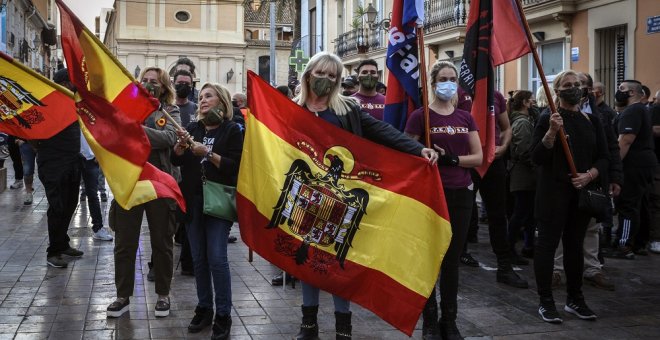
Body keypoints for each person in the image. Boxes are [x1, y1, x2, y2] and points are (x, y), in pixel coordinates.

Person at [292, 51, 438, 340]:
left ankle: (343, 328)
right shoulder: (290, 110)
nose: (326, 80)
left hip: (339, 197)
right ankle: (308, 326)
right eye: (321, 74)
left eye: (332, 76)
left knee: (336, 261)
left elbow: (382, 130)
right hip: (305, 195)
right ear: (308, 74)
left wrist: (416, 149)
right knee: (307, 259)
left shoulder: (347, 109)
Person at [406, 61, 482, 340]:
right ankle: (428, 321)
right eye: (443, 79)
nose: (448, 83)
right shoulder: (420, 116)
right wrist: (423, 153)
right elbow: (407, 149)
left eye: (452, 79)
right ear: (433, 82)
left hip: (461, 194)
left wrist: (452, 159)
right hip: (430, 195)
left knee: (451, 260)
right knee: (430, 260)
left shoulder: (465, 117)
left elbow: (479, 157)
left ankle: (449, 320)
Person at [531, 69, 609, 323]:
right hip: (553, 194)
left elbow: (605, 156)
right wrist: (552, 132)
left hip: (581, 194)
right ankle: (546, 302)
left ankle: (575, 299)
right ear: (557, 91)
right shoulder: (548, 118)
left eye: (577, 84)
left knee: (575, 246)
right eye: (568, 84)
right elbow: (537, 157)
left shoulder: (592, 121)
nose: (574, 88)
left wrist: (590, 175)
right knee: (547, 247)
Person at [106, 66, 181, 319]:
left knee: (162, 242)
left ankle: (163, 294)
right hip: (130, 182)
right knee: (124, 242)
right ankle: (122, 295)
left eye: (155, 82)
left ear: (164, 87)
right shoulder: (125, 110)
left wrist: (135, 131)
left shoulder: (169, 111)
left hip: (158, 183)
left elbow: (168, 138)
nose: (149, 85)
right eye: (145, 81)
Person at [172, 83, 243, 340]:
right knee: (199, 259)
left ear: (221, 101)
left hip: (218, 203)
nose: (202, 101)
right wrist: (180, 147)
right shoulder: (194, 128)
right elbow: (177, 160)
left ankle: (223, 314)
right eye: (200, 97)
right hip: (193, 201)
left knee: (217, 258)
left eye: (208, 96)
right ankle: (204, 308)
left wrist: (209, 153)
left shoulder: (232, 129)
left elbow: (235, 166)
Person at [36, 68, 85, 268]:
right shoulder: (47, 103)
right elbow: (33, 134)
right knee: (57, 207)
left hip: (73, 162)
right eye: (73, 83)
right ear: (64, 84)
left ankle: (62, 243)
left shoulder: (73, 103)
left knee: (70, 204)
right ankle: (53, 252)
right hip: (54, 164)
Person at [605, 80, 657, 259]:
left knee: (627, 205)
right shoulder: (641, 110)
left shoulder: (633, 110)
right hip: (644, 164)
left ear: (633, 93)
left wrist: (614, 167)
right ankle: (638, 243)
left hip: (634, 165)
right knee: (639, 205)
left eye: (622, 89)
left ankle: (623, 245)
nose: (618, 92)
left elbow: (625, 141)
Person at [506, 90, 536, 261]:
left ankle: (528, 245)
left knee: (528, 213)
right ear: (525, 102)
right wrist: (536, 164)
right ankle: (510, 248)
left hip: (523, 173)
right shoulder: (523, 123)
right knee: (521, 213)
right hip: (524, 174)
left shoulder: (520, 120)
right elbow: (524, 150)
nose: (534, 102)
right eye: (531, 100)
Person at [80, 130, 113, 241]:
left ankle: (98, 228)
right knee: (67, 196)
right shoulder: (67, 117)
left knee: (93, 195)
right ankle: (60, 235)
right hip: (73, 159)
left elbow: (103, 133)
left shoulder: (89, 115)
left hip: (90, 160)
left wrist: (99, 155)